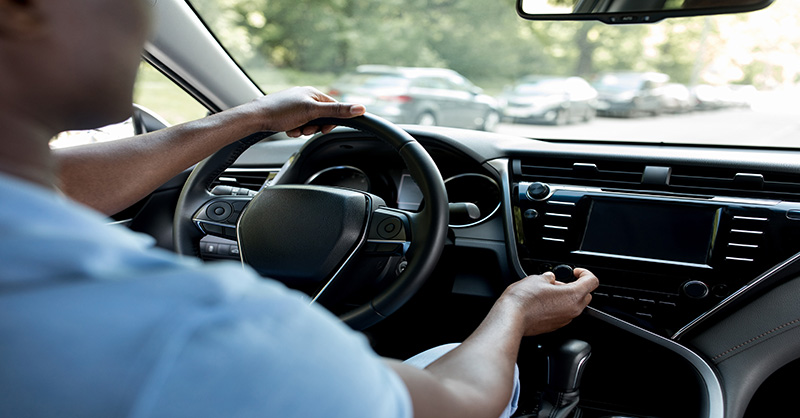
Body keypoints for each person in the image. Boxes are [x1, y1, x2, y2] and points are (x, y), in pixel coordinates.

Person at [0, 0, 599, 417]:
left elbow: (56, 185)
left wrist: (251, 118)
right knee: (456, 360)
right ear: (19, 9)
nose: (145, 15)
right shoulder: (204, 333)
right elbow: (464, 405)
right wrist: (517, 310)